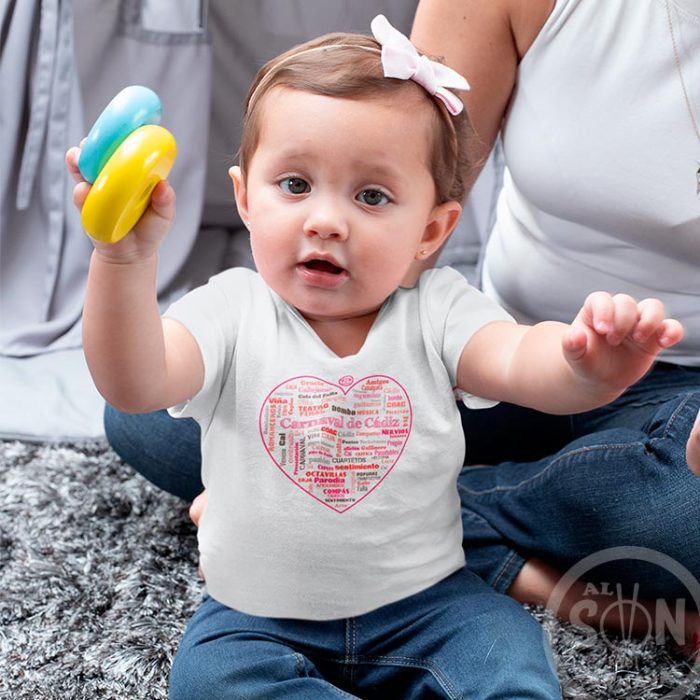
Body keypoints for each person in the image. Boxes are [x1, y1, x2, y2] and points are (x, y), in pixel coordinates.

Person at [68, 13, 685, 697]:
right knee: (211, 679)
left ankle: (496, 567)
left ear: (431, 229)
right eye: (295, 185)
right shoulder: (230, 308)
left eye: (370, 196)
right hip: (257, 617)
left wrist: (583, 366)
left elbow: (516, 361)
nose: (326, 220)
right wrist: (122, 258)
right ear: (244, 198)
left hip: (427, 605)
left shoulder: (438, 308)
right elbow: (134, 381)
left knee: (504, 652)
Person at [409, 0, 700, 635]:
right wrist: (324, 372)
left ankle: (344, 515)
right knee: (163, 417)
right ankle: (538, 564)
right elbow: (404, 193)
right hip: (501, 348)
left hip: (686, 398)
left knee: (686, 516)